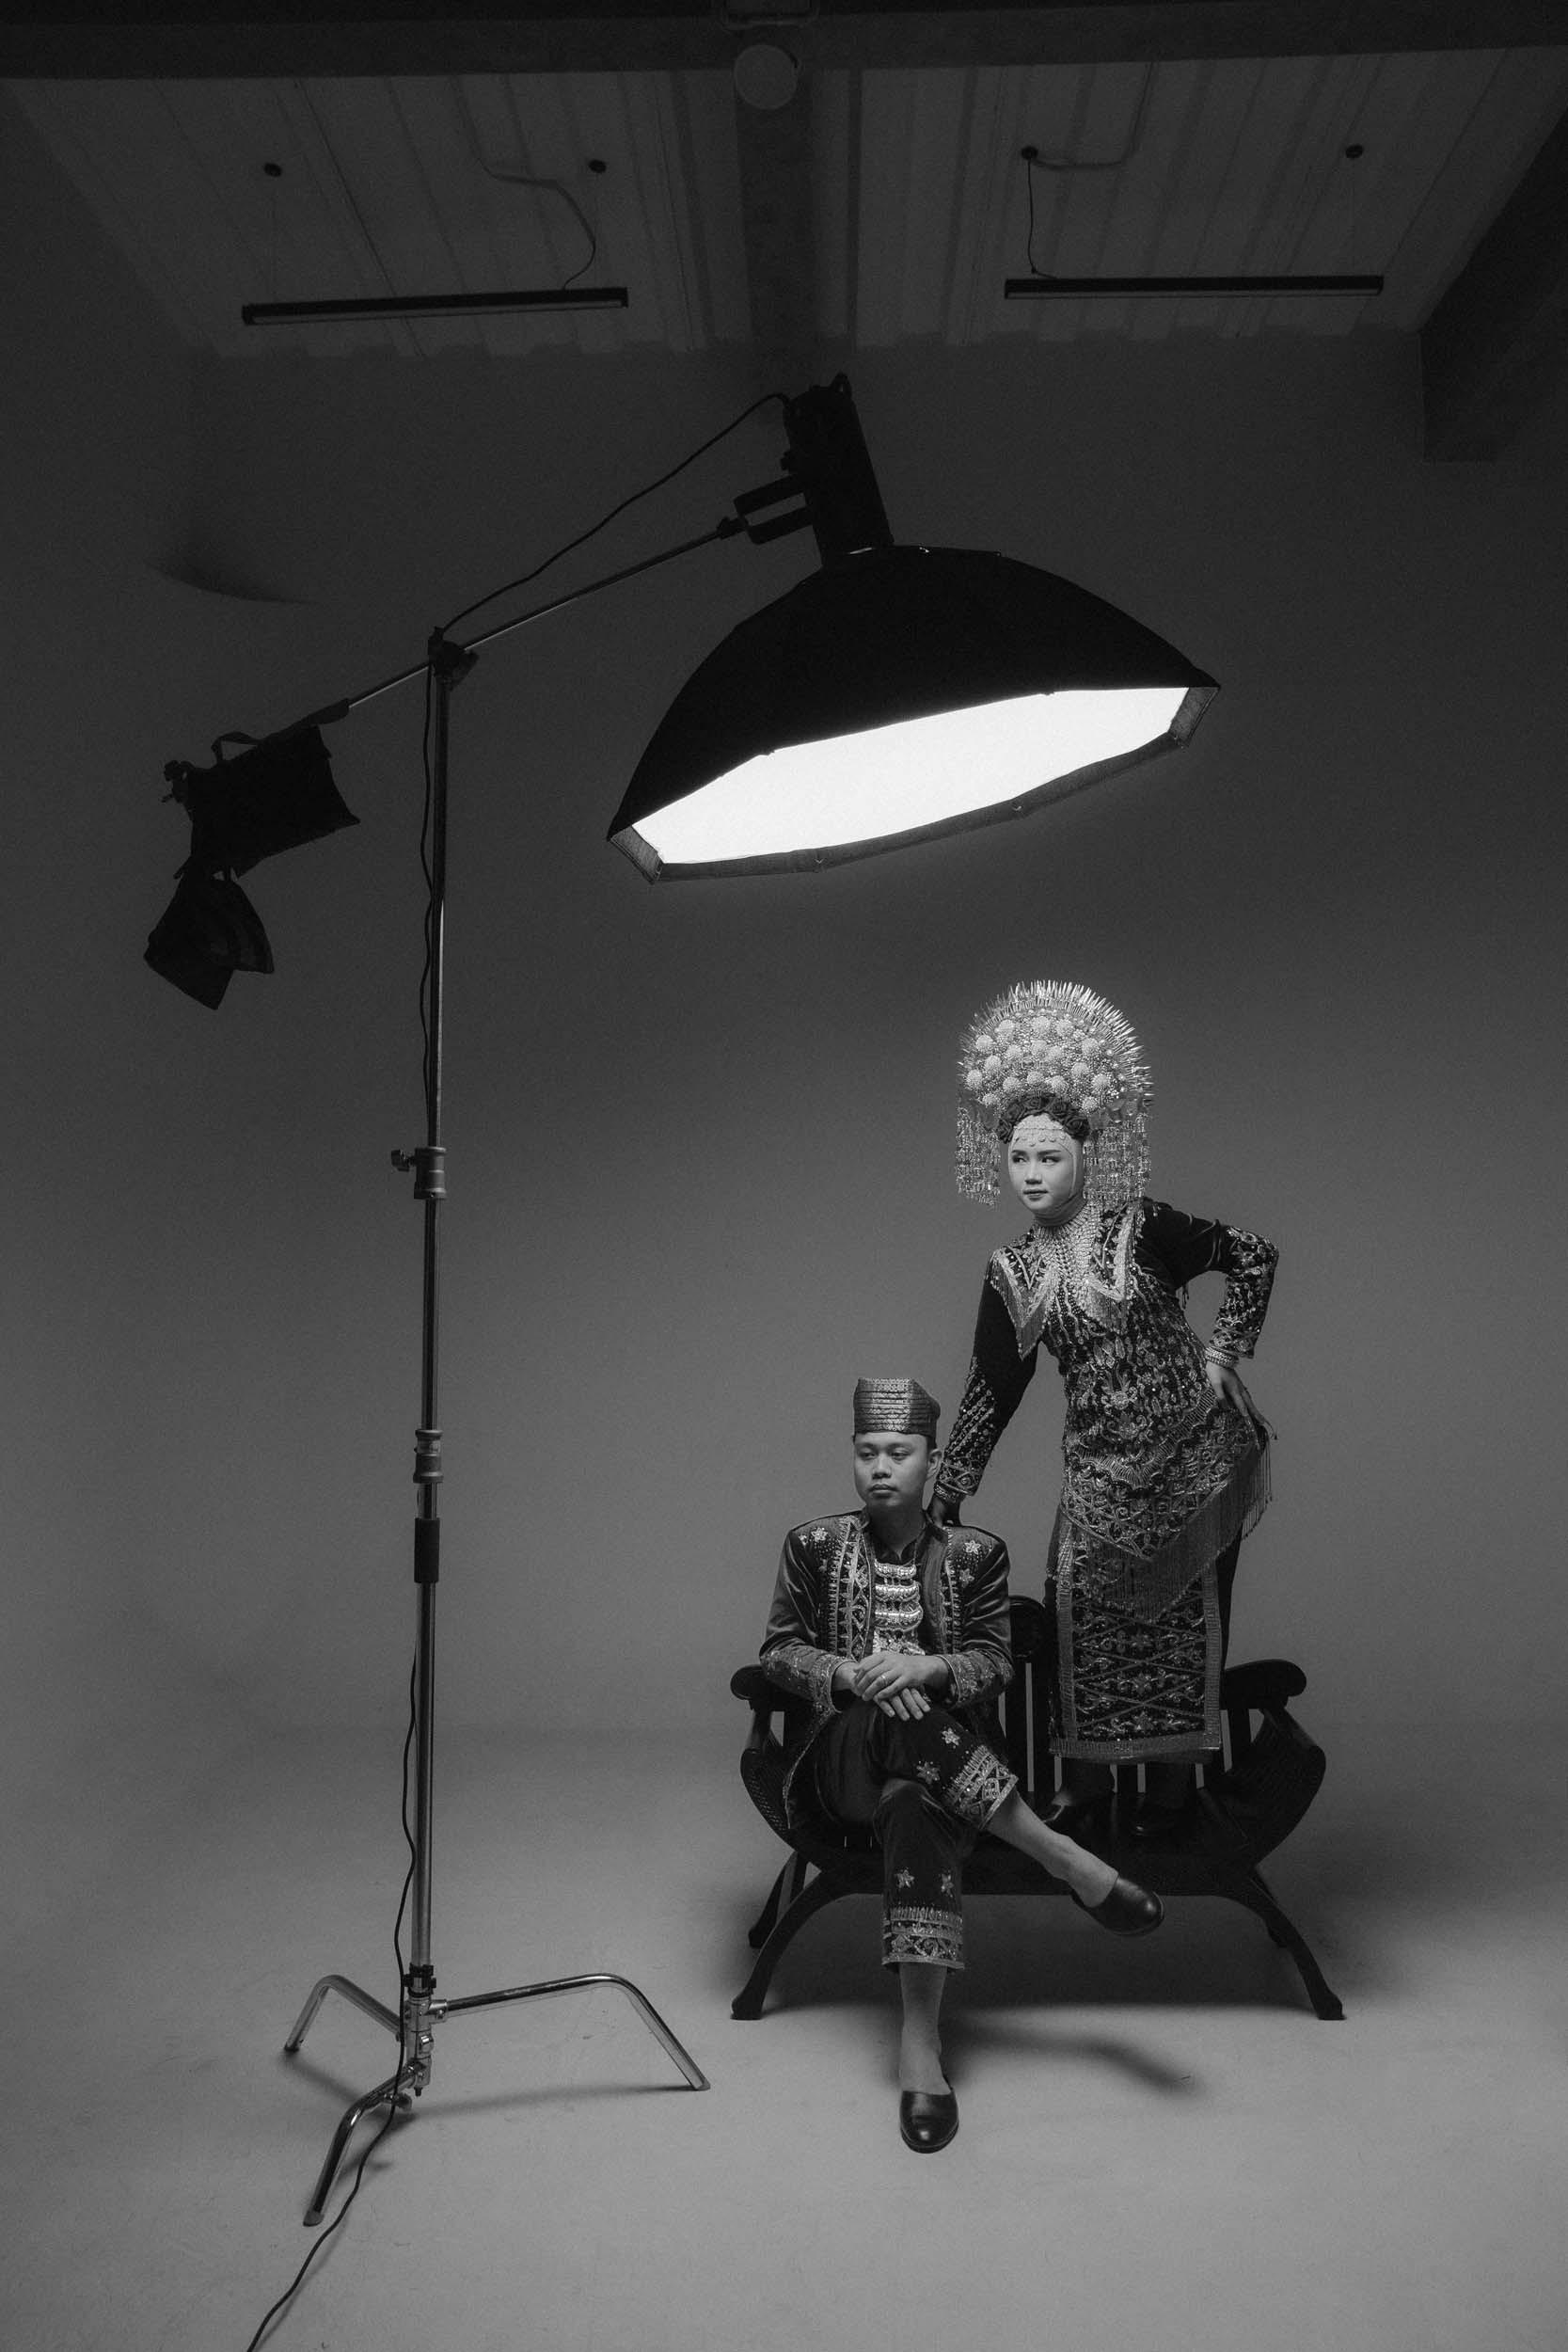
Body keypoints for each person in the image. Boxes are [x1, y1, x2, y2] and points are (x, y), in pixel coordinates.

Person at [760, 1375, 1164, 2156]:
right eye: (866, 1452)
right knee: (889, 1709)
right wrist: (853, 1675)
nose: (881, 1467)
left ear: (931, 1461)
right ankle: (1066, 1860)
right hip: (842, 1767)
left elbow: (994, 1662)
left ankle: (919, 2047)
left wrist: (928, 1670)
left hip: (947, 1777)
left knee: (916, 1802)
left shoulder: (975, 1554)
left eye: (898, 1452)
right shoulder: (812, 1545)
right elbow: (778, 1652)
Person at [933, 980, 1278, 1843]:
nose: (1032, 1174)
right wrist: (948, 1489)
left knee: (1186, 1622)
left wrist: (1221, 1352)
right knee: (1075, 1612)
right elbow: (991, 1387)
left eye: (1048, 1157)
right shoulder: (1012, 1271)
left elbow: (1252, 1255)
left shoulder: (1142, 1228)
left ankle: (1171, 1795)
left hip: (1194, 1462)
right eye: (1018, 1158)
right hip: (1097, 1474)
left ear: (1086, 1157)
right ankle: (1085, 1786)